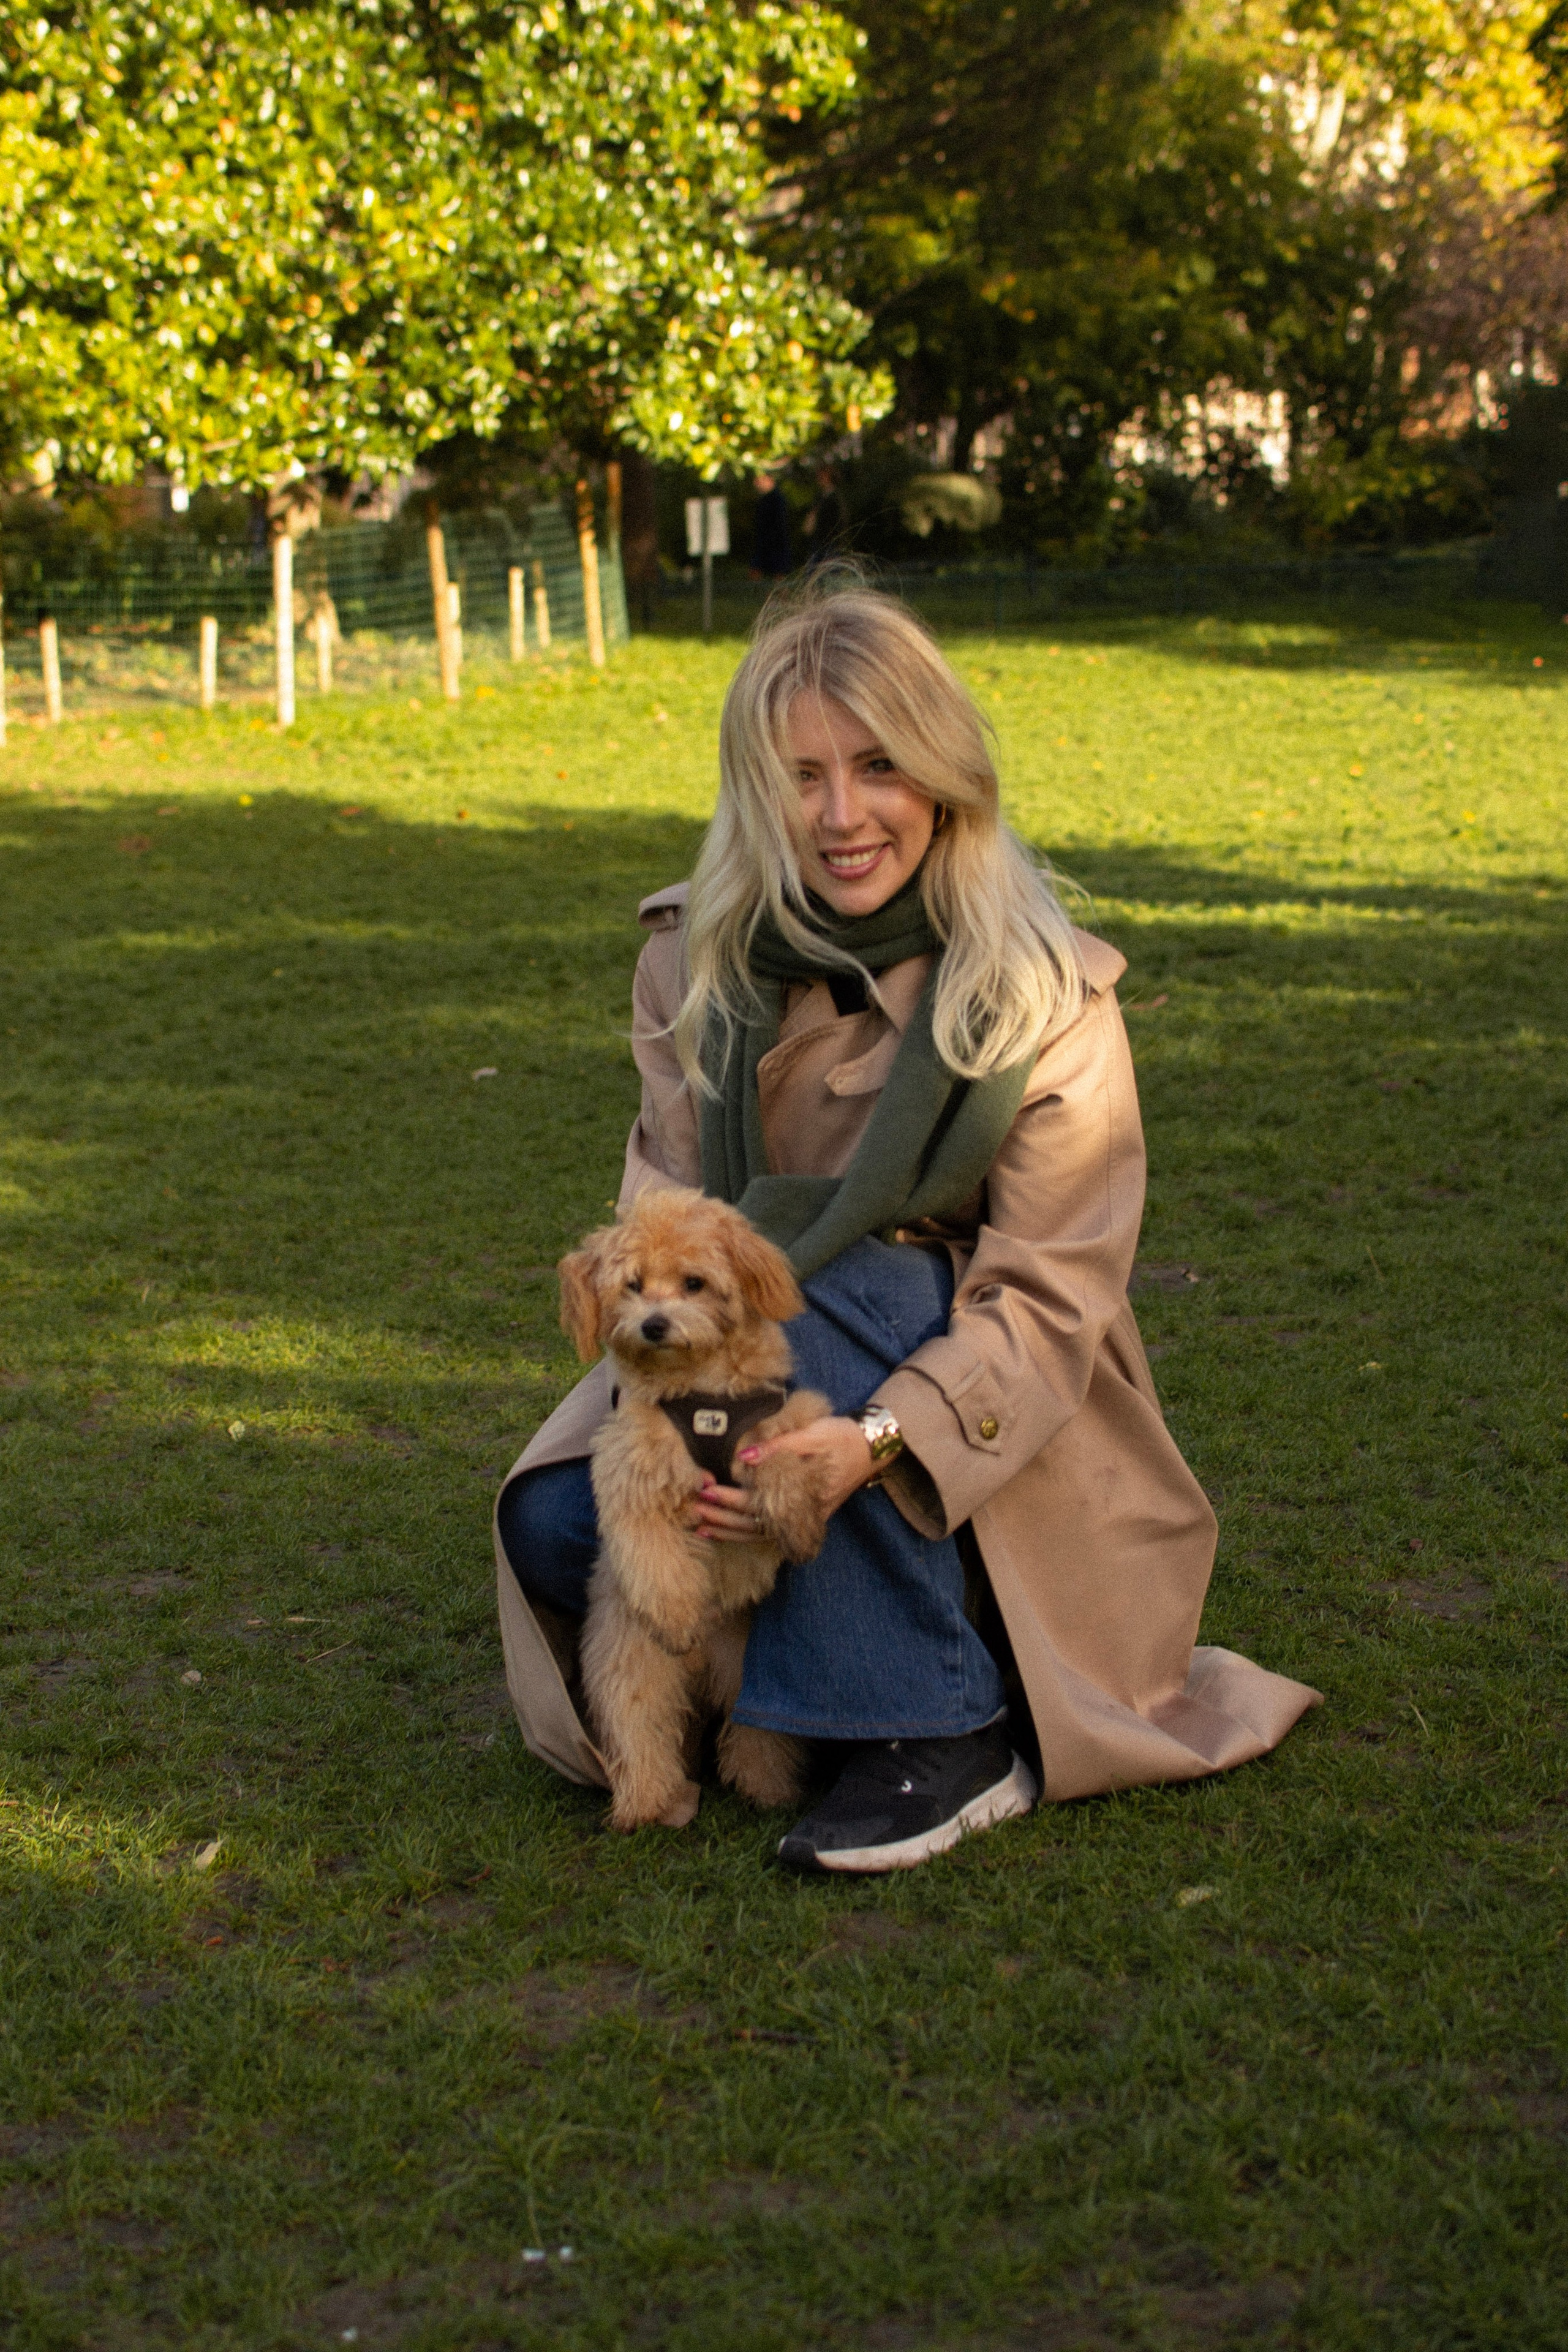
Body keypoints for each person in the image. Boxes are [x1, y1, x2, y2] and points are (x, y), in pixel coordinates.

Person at [494, 584, 1319, 1874]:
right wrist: (687, 1440)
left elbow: (1046, 1307)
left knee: (805, 1294)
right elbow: (655, 1208)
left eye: (878, 765)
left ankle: (944, 1724)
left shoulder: (1042, 992)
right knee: (561, 1528)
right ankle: (806, 1670)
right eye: (799, 773)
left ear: (945, 775)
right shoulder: (694, 956)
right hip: (724, 1381)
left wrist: (868, 1444)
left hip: (961, 1405)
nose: (838, 814)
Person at [750, 471, 792, 579]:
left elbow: (779, 527)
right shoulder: (764, 500)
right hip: (765, 547)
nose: (757, 483)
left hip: (775, 548)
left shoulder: (777, 500)